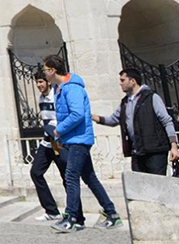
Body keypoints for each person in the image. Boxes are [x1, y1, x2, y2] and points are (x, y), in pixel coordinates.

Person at [42, 54, 122, 234]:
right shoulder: (59, 89)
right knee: (89, 177)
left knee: (71, 176)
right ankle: (112, 214)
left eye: (45, 70)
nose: (44, 73)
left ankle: (72, 218)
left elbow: (77, 114)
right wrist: (62, 139)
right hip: (73, 139)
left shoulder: (72, 89)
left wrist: (59, 131)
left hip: (80, 140)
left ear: (53, 70)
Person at [92, 66, 179, 176]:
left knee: (157, 186)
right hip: (137, 152)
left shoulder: (151, 97)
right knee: (139, 186)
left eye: (123, 80)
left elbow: (167, 121)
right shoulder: (125, 102)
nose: (120, 84)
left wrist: (174, 146)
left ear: (133, 81)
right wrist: (91, 116)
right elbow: (113, 120)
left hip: (155, 151)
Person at [29, 72, 67, 222]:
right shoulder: (41, 98)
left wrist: (56, 132)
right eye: (37, 82)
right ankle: (51, 210)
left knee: (67, 178)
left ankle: (74, 212)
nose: (39, 85)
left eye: (41, 82)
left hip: (58, 142)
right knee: (36, 172)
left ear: (48, 82)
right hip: (46, 143)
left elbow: (60, 118)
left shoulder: (56, 96)